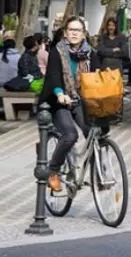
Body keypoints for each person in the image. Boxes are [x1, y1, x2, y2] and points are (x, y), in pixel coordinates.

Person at [40, 16, 102, 193]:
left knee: (94, 131)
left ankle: (96, 171)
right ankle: (53, 171)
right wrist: (60, 94)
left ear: (84, 34)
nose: (74, 33)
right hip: (59, 100)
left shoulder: (91, 53)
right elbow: (53, 76)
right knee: (70, 135)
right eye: (71, 30)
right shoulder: (57, 51)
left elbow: (98, 76)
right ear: (65, 33)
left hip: (81, 99)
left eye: (78, 30)